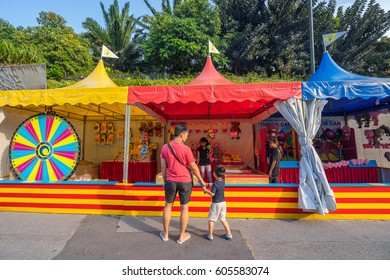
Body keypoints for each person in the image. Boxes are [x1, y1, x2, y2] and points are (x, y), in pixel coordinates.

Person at [160, 124, 206, 244]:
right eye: (186, 135)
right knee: (184, 207)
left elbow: (163, 168)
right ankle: (181, 236)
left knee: (168, 206)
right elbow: (194, 168)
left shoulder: (165, 147)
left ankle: (165, 234)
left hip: (170, 180)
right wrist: (202, 181)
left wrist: (165, 182)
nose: (186, 137)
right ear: (181, 135)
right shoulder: (186, 149)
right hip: (185, 181)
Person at [202, 165, 233, 241]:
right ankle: (229, 234)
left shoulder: (215, 183)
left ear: (214, 174)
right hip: (223, 203)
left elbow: (212, 193)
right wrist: (208, 184)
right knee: (223, 219)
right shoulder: (223, 181)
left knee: (211, 219)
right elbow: (216, 185)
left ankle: (210, 235)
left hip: (216, 204)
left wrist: (205, 190)